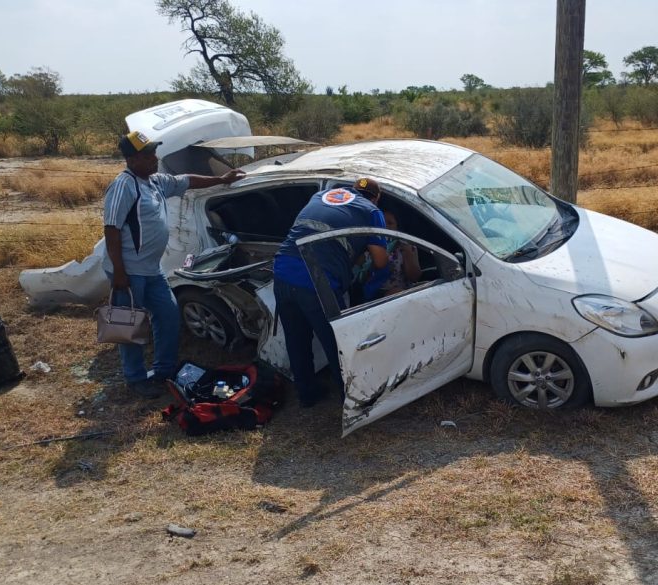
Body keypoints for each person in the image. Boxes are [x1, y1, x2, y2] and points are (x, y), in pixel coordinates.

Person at [104, 131, 246, 398]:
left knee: (168, 316)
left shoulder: (155, 182)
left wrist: (221, 179)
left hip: (151, 268)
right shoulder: (124, 186)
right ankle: (135, 379)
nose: (154, 158)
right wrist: (119, 271)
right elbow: (111, 229)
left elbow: (187, 180)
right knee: (129, 325)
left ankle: (163, 371)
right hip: (128, 271)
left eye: (154, 152)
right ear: (132, 159)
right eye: (148, 155)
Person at [272, 178, 389, 407]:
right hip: (316, 281)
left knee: (297, 339)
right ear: (376, 197)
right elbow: (381, 260)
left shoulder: (320, 196)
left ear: (354, 190)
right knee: (338, 344)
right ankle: (352, 402)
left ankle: (307, 394)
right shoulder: (372, 211)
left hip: (282, 271)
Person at [361, 210, 422, 300]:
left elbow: (414, 277)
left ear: (397, 227)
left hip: (402, 294)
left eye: (390, 223)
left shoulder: (406, 245)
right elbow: (358, 273)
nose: (385, 227)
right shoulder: (371, 245)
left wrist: (407, 253)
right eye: (382, 222)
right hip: (374, 294)